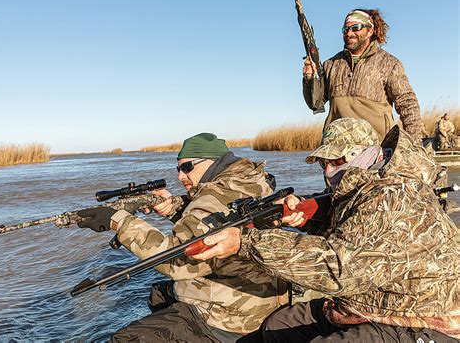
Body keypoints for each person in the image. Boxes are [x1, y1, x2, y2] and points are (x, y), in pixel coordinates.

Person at [193, 118, 458, 342]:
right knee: (276, 327)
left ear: (368, 153)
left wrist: (247, 242)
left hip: (417, 316)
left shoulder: (393, 194)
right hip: (366, 302)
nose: (329, 172)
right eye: (323, 164)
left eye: (337, 160)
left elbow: (338, 268)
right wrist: (306, 219)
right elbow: (355, 229)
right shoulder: (365, 184)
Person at [77, 133, 288, 342]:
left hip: (229, 317)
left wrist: (119, 221)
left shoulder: (212, 197)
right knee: (159, 294)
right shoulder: (251, 181)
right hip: (262, 298)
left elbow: (177, 262)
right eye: (178, 169)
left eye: (187, 168)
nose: (180, 176)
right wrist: (174, 209)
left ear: (212, 162)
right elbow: (218, 222)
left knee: (126, 339)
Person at [303, 9, 423, 143]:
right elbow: (315, 103)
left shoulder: (389, 63)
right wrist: (309, 78)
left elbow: (408, 105)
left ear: (370, 31)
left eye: (356, 28)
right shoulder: (330, 64)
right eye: (345, 29)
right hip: (337, 150)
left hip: (377, 151)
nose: (349, 33)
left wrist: (414, 145)